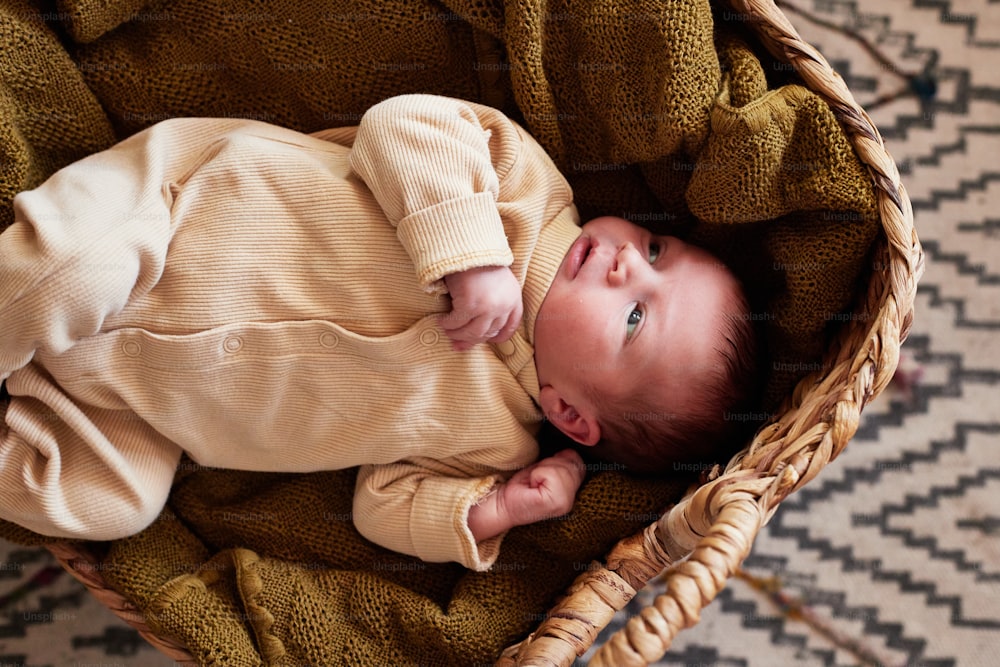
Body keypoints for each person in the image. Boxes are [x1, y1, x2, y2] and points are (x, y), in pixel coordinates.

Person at [0, 94, 757, 570]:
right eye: (659, 251)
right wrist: (471, 253)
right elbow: (400, 125)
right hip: (166, 218)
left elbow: (383, 503)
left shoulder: (496, 441)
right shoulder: (526, 190)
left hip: (129, 403)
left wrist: (495, 508)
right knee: (74, 272)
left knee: (110, 505)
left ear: (571, 414)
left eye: (635, 317)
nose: (630, 261)